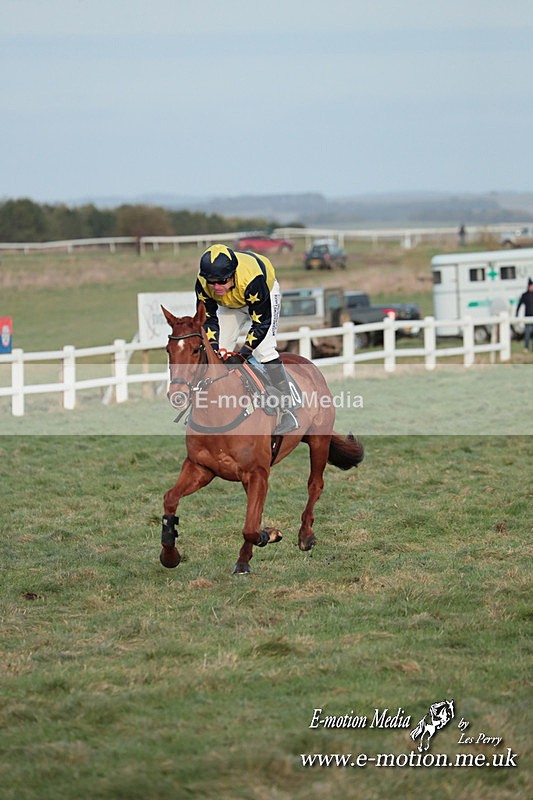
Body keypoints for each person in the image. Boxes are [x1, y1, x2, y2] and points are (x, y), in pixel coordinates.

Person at [195, 243, 299, 434]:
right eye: (212, 282)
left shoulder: (253, 280)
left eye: (222, 281)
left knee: (264, 350)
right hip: (231, 301)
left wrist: (243, 354)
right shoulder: (203, 284)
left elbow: (261, 324)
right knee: (214, 353)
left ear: (233, 274)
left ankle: (288, 410)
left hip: (263, 295)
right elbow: (208, 319)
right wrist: (214, 345)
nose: (216, 287)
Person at [516, 278, 533, 353]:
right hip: (528, 317)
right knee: (527, 333)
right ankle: (526, 347)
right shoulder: (525, 295)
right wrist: (516, 314)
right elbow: (519, 305)